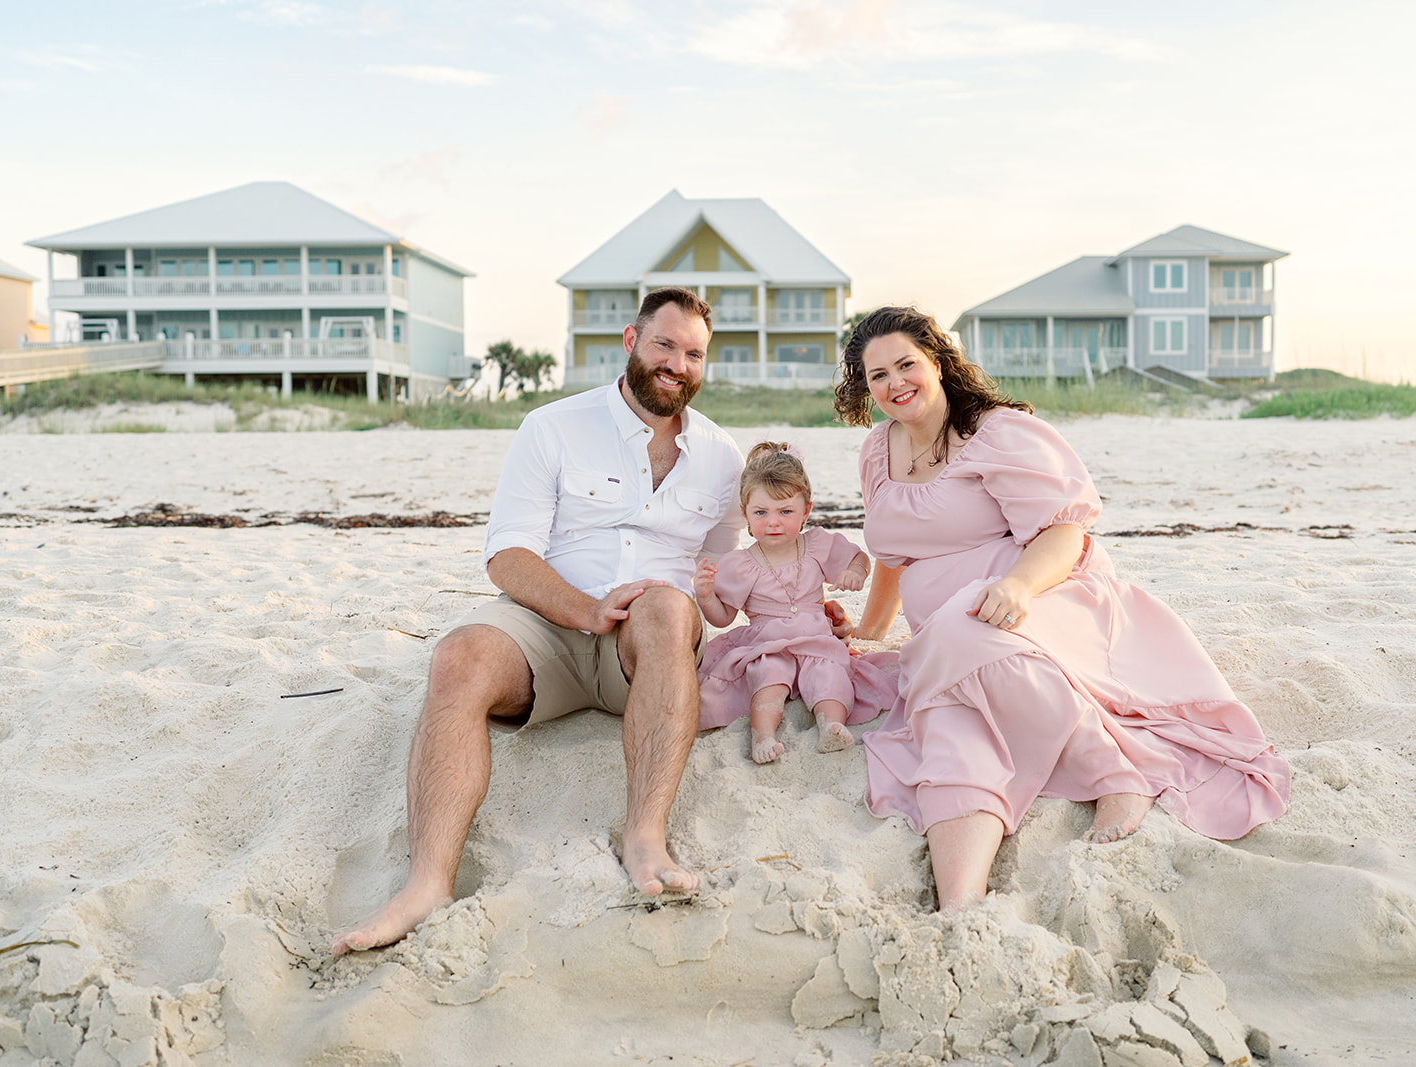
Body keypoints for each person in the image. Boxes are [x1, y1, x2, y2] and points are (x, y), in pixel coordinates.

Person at [331, 287, 744, 955]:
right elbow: (507, 555)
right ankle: (427, 880)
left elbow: (724, 582)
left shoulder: (724, 457)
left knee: (669, 605)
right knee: (458, 655)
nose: (677, 363)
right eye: (665, 344)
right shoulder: (553, 426)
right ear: (631, 341)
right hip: (548, 626)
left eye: (694, 353)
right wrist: (585, 608)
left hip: (648, 648)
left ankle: (645, 838)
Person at [836, 307, 1291, 913]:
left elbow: (1064, 532)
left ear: (939, 363)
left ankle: (1115, 773)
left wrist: (1019, 586)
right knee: (949, 728)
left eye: (906, 365)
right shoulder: (877, 452)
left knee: (959, 629)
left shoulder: (996, 433)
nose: (894, 384)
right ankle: (961, 906)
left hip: (1043, 598)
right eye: (877, 376)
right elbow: (893, 557)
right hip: (951, 636)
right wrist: (871, 630)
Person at [693, 442, 898, 763]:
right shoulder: (740, 563)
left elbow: (859, 557)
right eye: (761, 512)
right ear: (745, 512)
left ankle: (831, 724)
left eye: (785, 511)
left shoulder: (816, 545)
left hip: (817, 637)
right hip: (767, 640)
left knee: (829, 672)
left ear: (806, 510)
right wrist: (705, 596)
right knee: (768, 675)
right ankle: (763, 736)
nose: (773, 522)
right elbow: (723, 617)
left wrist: (855, 572)